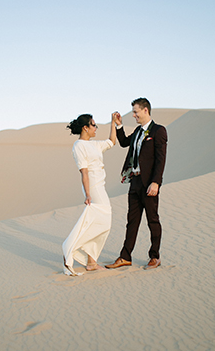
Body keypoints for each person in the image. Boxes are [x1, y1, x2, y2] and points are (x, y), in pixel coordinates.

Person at [106, 98, 167, 270]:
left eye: (135, 112)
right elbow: (125, 142)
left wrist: (156, 182)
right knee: (132, 221)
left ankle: (155, 256)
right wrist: (118, 125)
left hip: (149, 183)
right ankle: (125, 257)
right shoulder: (138, 132)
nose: (134, 115)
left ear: (145, 111)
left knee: (152, 220)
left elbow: (161, 160)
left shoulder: (158, 130)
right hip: (135, 182)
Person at [62, 113, 116, 276]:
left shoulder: (95, 145)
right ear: (85, 127)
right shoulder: (78, 146)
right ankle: (70, 248)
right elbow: (84, 172)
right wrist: (87, 194)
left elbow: (111, 142)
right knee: (104, 221)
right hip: (93, 186)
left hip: (101, 184)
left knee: (100, 222)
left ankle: (92, 262)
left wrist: (114, 123)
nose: (96, 128)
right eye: (94, 125)